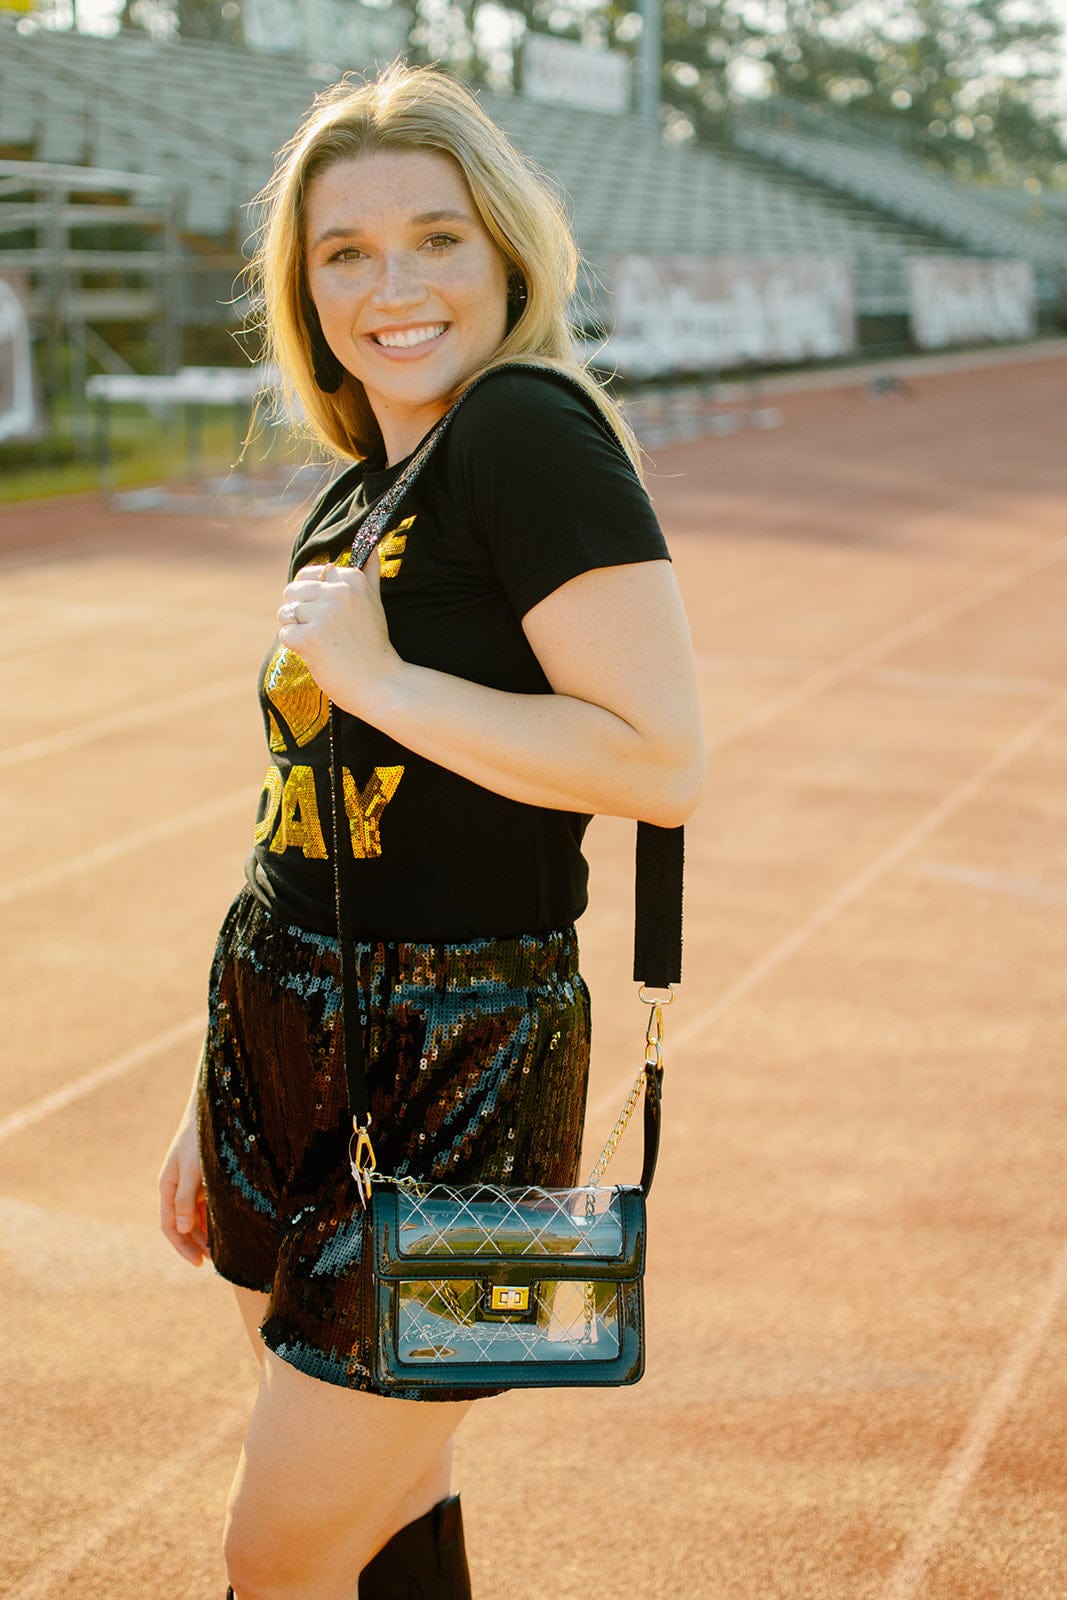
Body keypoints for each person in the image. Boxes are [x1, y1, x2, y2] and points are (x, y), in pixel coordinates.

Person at [158, 61, 705, 1600]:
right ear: (302, 282)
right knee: (385, 1516)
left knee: (280, 1552)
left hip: (467, 1065)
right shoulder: (357, 492)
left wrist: (383, 680)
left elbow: (661, 758)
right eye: (344, 252)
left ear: (508, 253)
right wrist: (215, 1090)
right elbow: (305, 814)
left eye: (436, 238)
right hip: (284, 1028)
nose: (390, 283)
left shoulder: (525, 432)